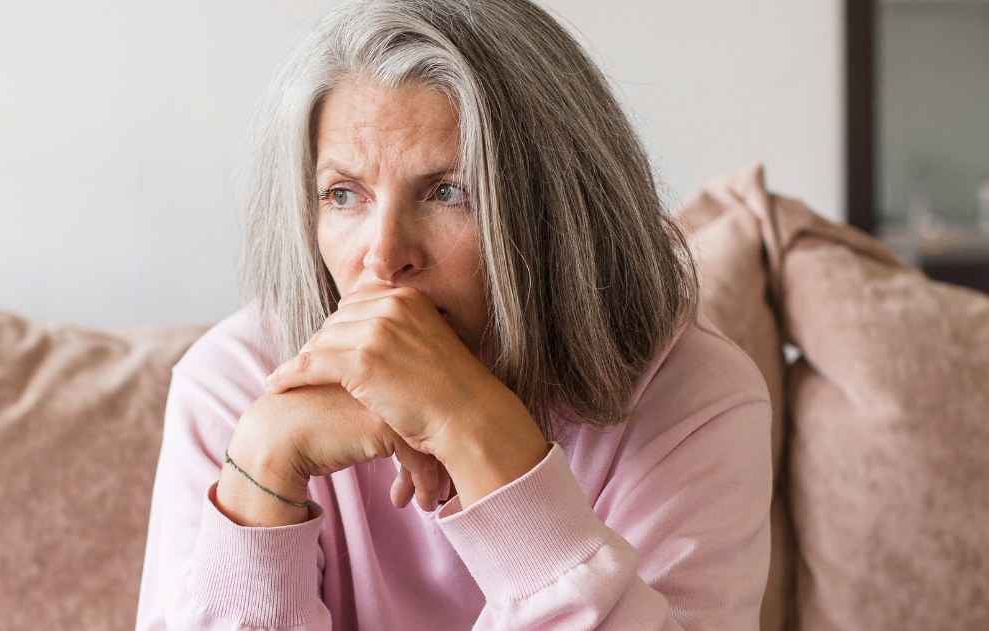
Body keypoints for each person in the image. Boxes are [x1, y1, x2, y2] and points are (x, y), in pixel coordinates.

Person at [136, 0, 772, 629]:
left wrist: (478, 434)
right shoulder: (236, 384)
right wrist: (265, 467)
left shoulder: (694, 399)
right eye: (343, 194)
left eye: (448, 192)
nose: (382, 256)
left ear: (558, 209)